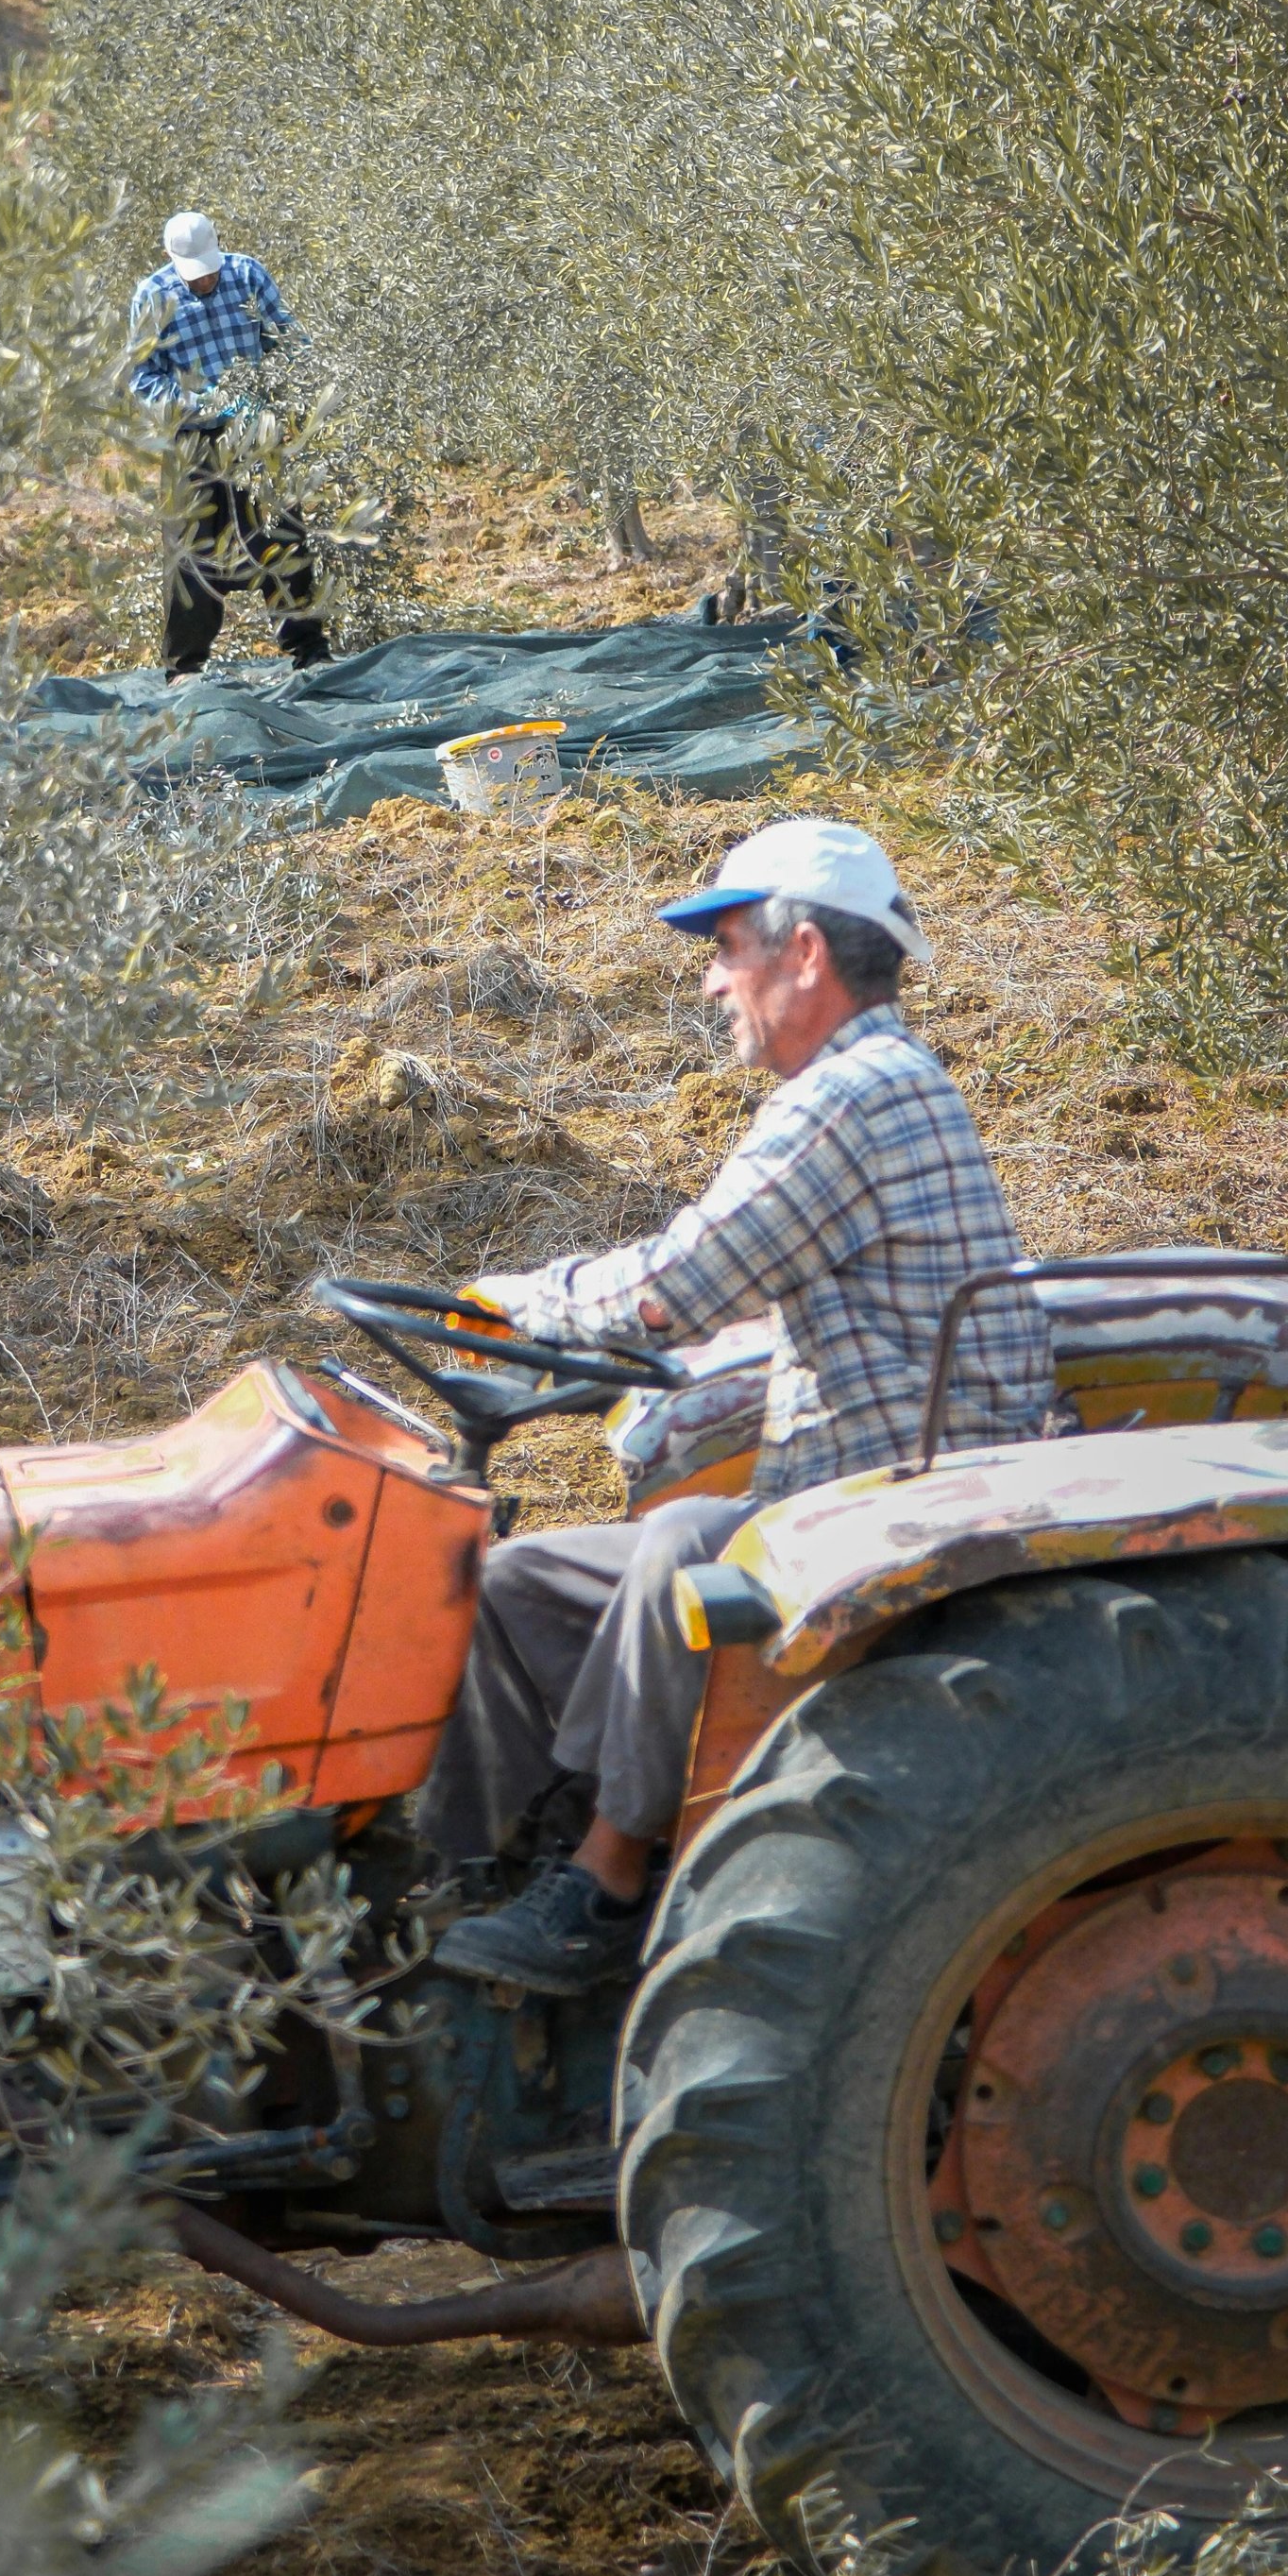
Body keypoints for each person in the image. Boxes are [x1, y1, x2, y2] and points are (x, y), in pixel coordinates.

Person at [419, 816, 1059, 1996]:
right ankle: (446, 1877)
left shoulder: (852, 1097)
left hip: (903, 1502)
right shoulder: (874, 1086)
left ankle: (606, 1885)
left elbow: (677, 1285)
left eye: (726, 948)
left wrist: (514, 1304)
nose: (713, 979)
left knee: (678, 1549)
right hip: (855, 1485)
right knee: (519, 1585)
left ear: (803, 953)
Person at [126, 209, 331, 677]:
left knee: (283, 535)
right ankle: (185, 667)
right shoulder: (153, 296)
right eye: (195, 273)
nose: (206, 281)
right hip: (192, 440)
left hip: (257, 433)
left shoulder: (247, 274)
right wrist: (203, 404)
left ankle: (309, 650)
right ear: (169, 258)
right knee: (191, 552)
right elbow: (143, 378)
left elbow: (288, 340)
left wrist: (285, 398)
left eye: (210, 269)